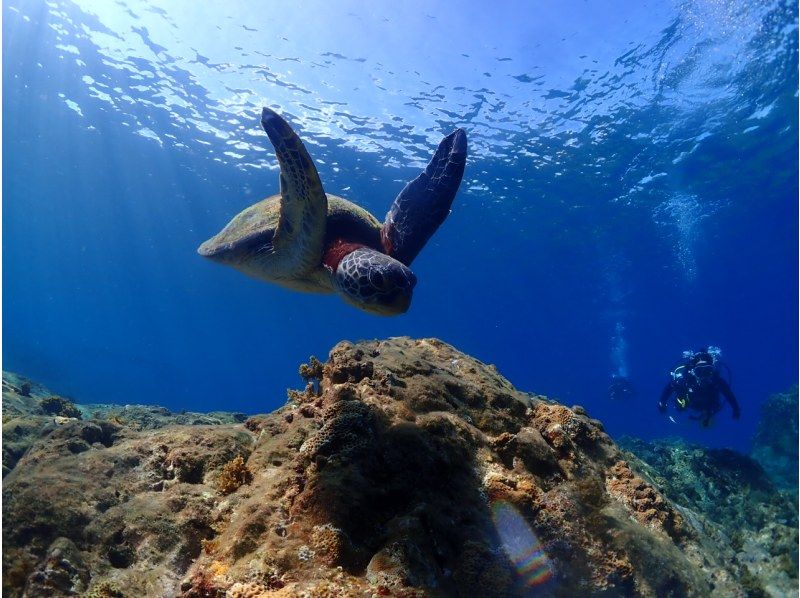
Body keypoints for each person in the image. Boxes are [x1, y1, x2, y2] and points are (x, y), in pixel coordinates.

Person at [658, 347, 740, 427]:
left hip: (709, 405)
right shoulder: (687, 379)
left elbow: (729, 395)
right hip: (691, 403)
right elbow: (670, 387)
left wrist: (736, 409)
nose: (703, 375)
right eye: (699, 371)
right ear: (693, 372)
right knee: (681, 402)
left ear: (712, 371)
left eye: (707, 371)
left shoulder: (717, 381)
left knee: (710, 410)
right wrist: (662, 402)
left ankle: (706, 414)